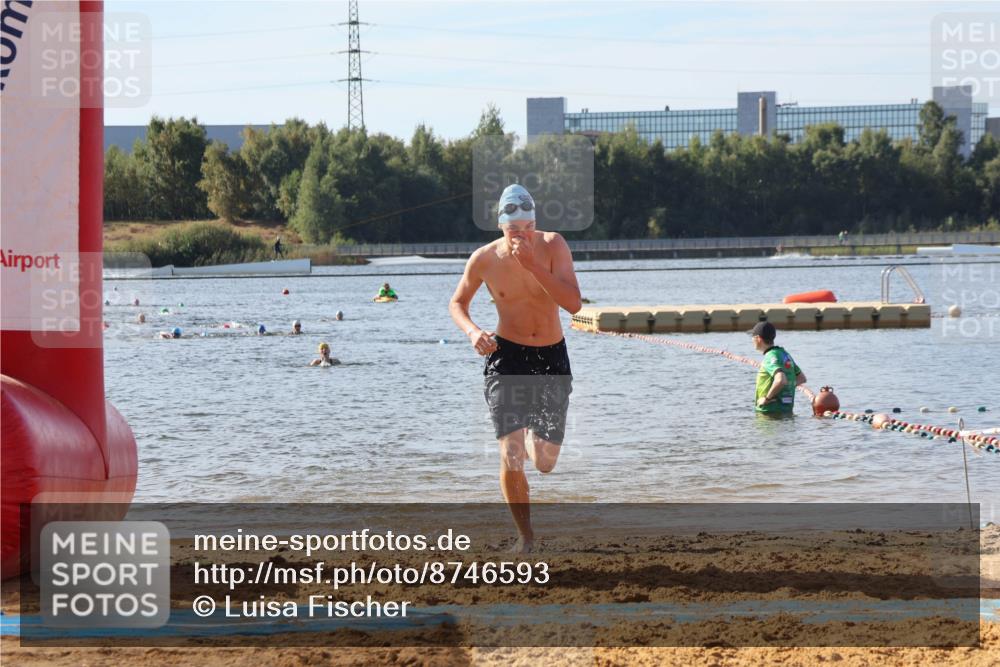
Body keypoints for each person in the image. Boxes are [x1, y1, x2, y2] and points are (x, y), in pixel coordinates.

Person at [449, 183, 582, 553]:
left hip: (551, 356)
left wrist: (533, 265)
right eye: (513, 231)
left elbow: (573, 304)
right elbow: (457, 303)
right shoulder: (485, 259)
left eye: (526, 229)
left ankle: (527, 437)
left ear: (534, 223)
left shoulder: (553, 245)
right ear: (501, 228)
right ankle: (526, 538)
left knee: (544, 461)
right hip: (506, 356)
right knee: (509, 453)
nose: (520, 236)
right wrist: (473, 331)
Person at [750, 322, 807, 415]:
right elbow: (801, 378)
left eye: (752, 338)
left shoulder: (769, 357)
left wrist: (767, 398)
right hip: (787, 412)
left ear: (758, 339)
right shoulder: (785, 354)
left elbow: (780, 380)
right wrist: (784, 390)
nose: (752, 341)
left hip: (769, 414)